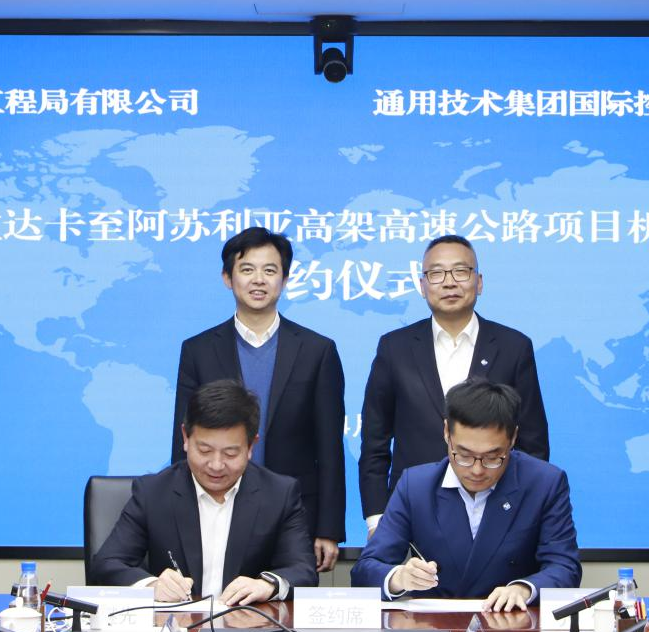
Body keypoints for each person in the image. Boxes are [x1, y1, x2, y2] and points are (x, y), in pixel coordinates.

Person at [171, 227, 346, 572]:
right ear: (227, 278)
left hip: (294, 514)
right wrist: (179, 517)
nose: (259, 280)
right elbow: (184, 441)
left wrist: (328, 529)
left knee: (286, 599)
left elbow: (330, 447)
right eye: (247, 269)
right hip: (214, 507)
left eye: (270, 270)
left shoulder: (317, 351)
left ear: (285, 279)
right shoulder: (198, 350)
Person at [358, 234, 550, 532]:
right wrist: (376, 517)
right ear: (422, 286)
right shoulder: (395, 347)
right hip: (412, 511)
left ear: (479, 282)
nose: (449, 282)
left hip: (496, 510)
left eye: (461, 271)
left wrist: (525, 513)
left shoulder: (513, 347)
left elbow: (532, 441)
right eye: (436, 273)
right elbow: (375, 441)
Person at [351, 380, 580, 609]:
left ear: (512, 438)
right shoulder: (416, 486)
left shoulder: (544, 483)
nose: (477, 470)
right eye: (464, 455)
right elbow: (365, 569)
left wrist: (524, 589)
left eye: (493, 457)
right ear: (446, 433)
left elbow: (564, 567)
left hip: (513, 621)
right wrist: (398, 578)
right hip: (435, 624)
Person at [94, 380, 317, 604]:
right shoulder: (153, 492)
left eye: (230, 453)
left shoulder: (279, 494)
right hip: (175, 623)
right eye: (204, 450)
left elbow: (304, 570)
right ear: (185, 437)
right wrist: (152, 586)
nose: (216, 465)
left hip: (247, 623)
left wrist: (267, 585)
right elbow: (107, 563)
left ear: (251, 446)